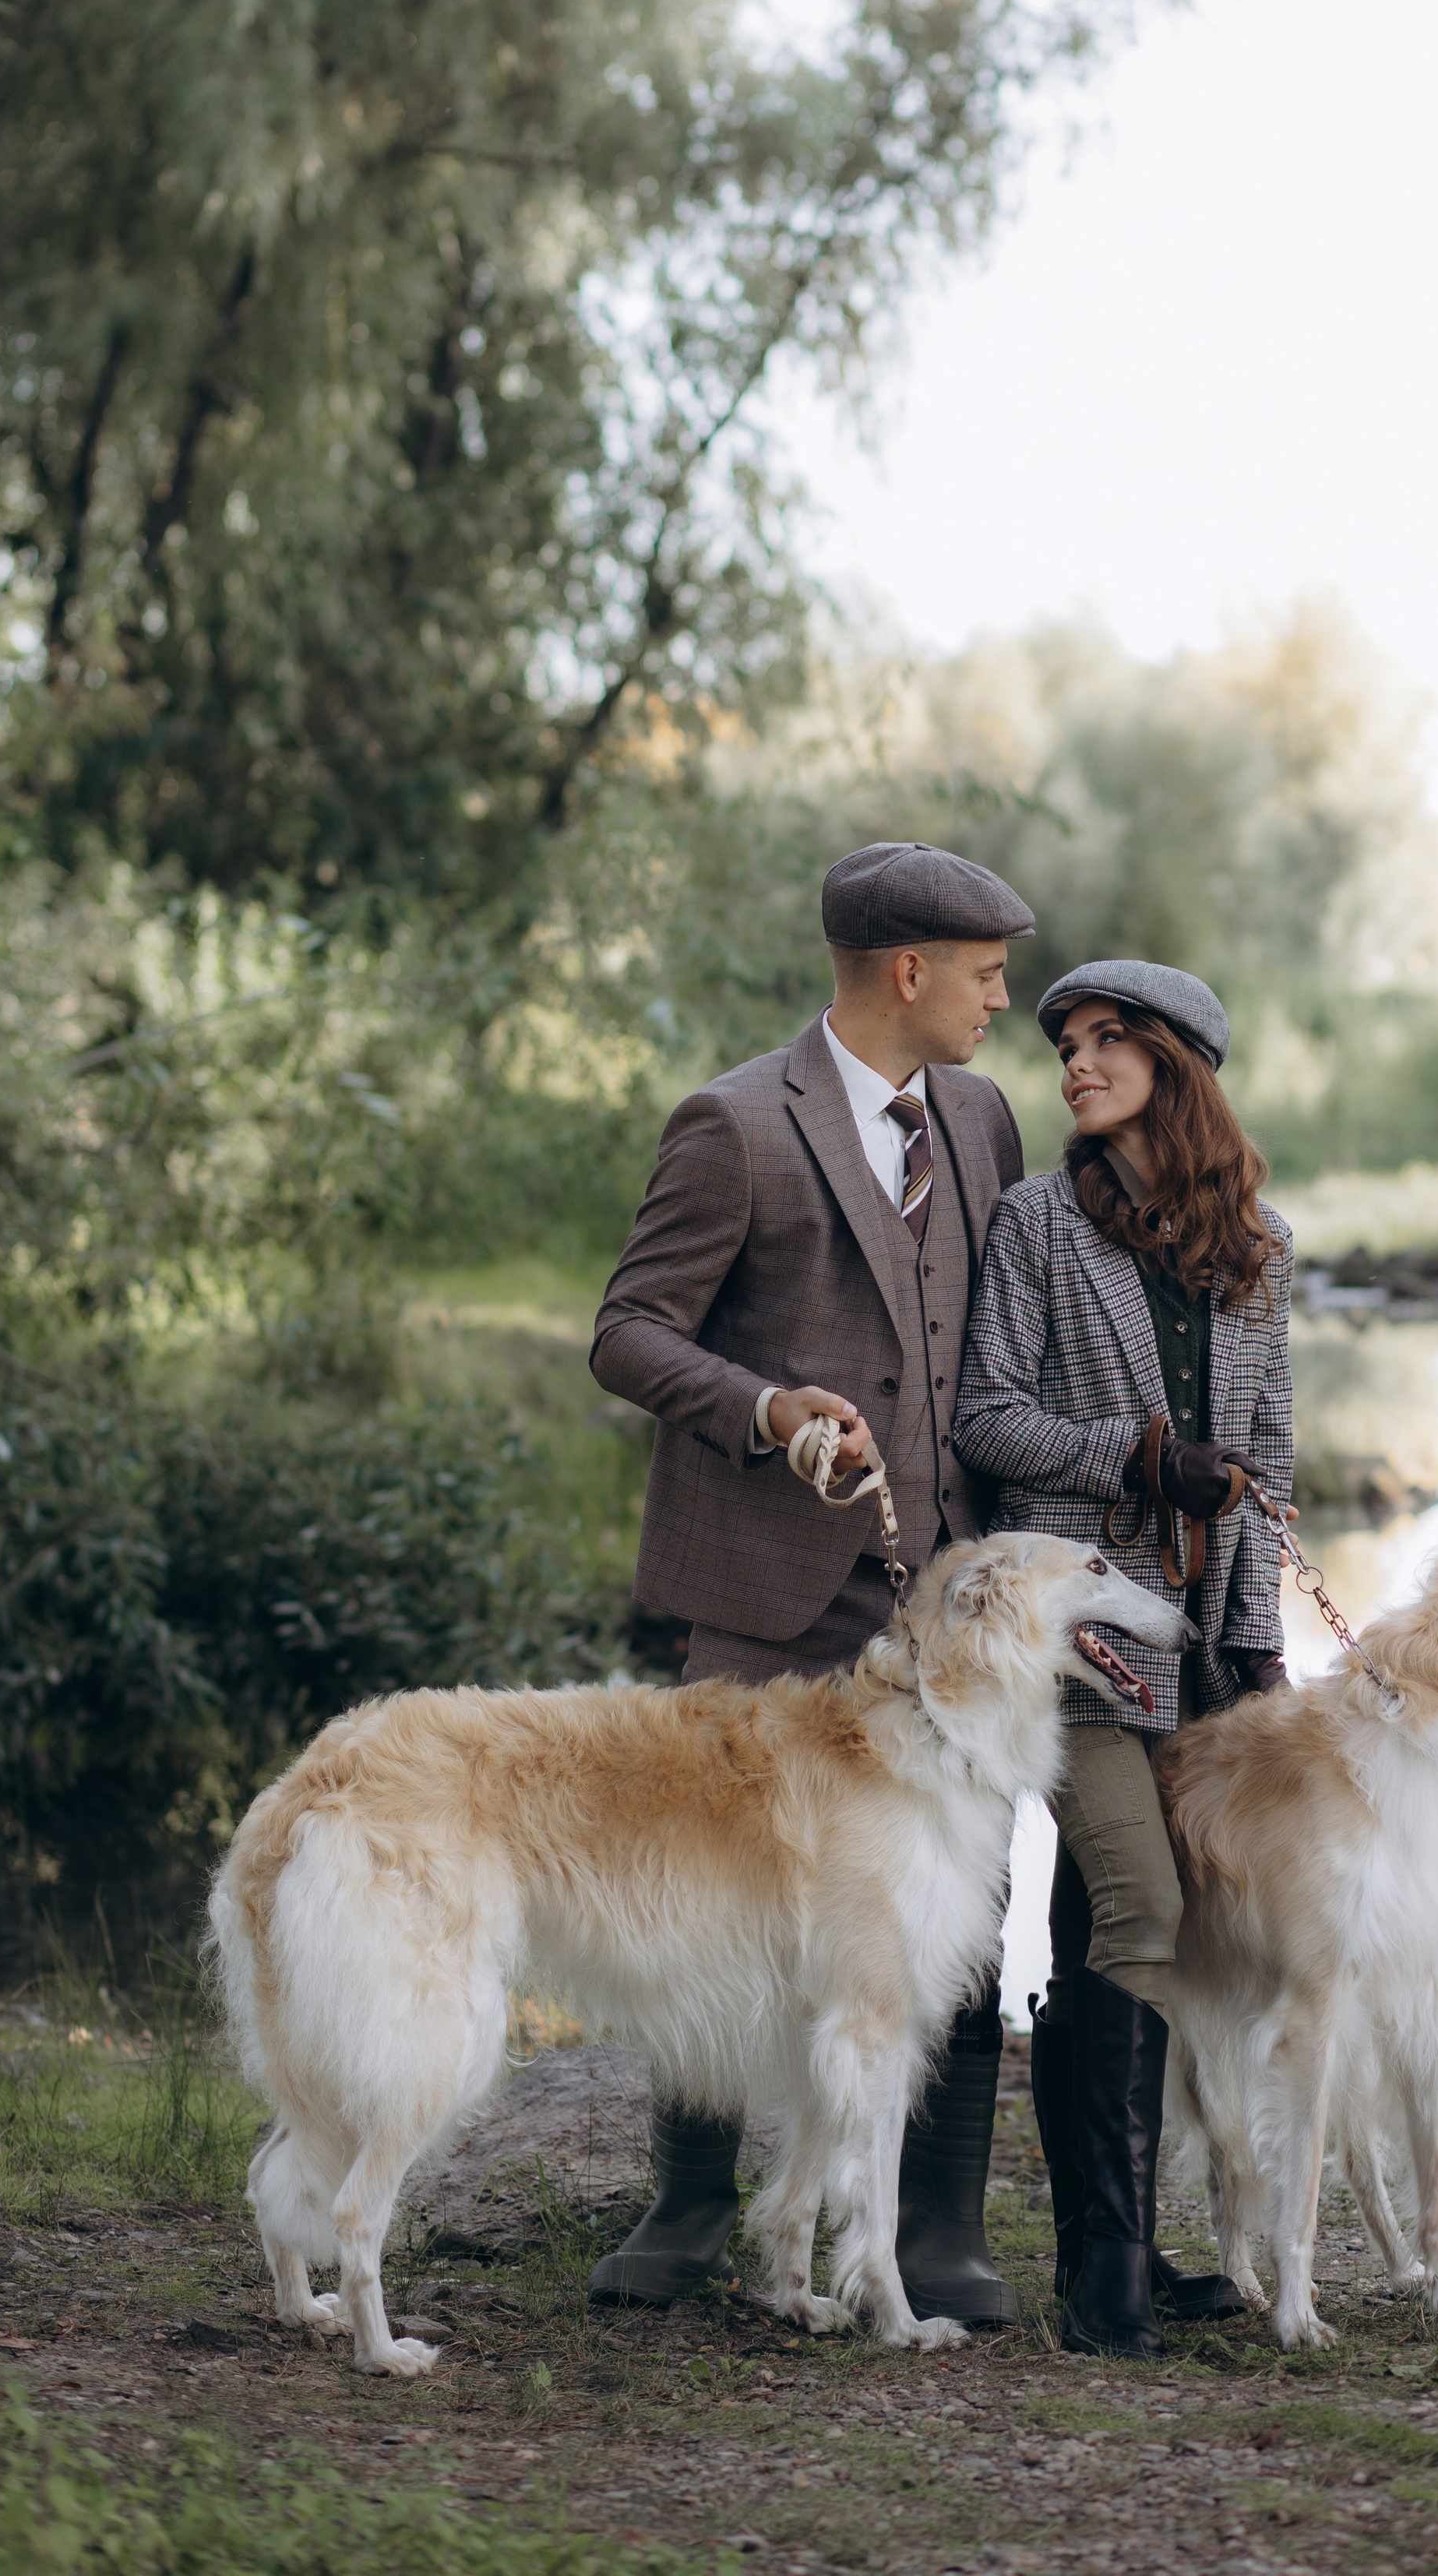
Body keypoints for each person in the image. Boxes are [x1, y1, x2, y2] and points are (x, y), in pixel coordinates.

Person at [587, 840, 1035, 2324]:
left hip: (944, 1606)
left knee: (957, 1888)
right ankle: (689, 2199)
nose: (1001, 999)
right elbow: (630, 1333)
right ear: (907, 972)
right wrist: (770, 1411)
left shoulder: (982, 1119)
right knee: (716, 1894)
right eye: (984, 974)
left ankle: (936, 2226)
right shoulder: (732, 1126)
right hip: (766, 1593)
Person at [952, 959, 1293, 2358]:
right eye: (1066, 1046)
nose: (1076, 1064)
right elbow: (987, 1415)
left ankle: (1135, 2255)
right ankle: (1105, 2276)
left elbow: (1269, 1461)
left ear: (1178, 1065)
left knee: (1163, 1934)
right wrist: (1138, 1459)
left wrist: (1261, 1642)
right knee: (1135, 1906)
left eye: (1106, 1043)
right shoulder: (1038, 1222)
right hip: (1080, 1639)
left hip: (1207, 1652)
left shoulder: (1263, 1248)